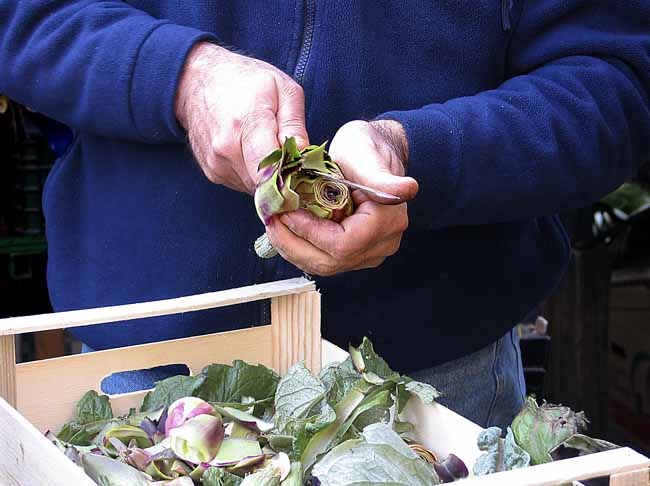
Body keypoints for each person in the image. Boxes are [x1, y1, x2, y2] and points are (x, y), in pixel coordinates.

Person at [1, 2, 648, 430]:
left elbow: (613, 79)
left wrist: (421, 155)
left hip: (435, 379)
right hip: (146, 359)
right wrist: (177, 76)